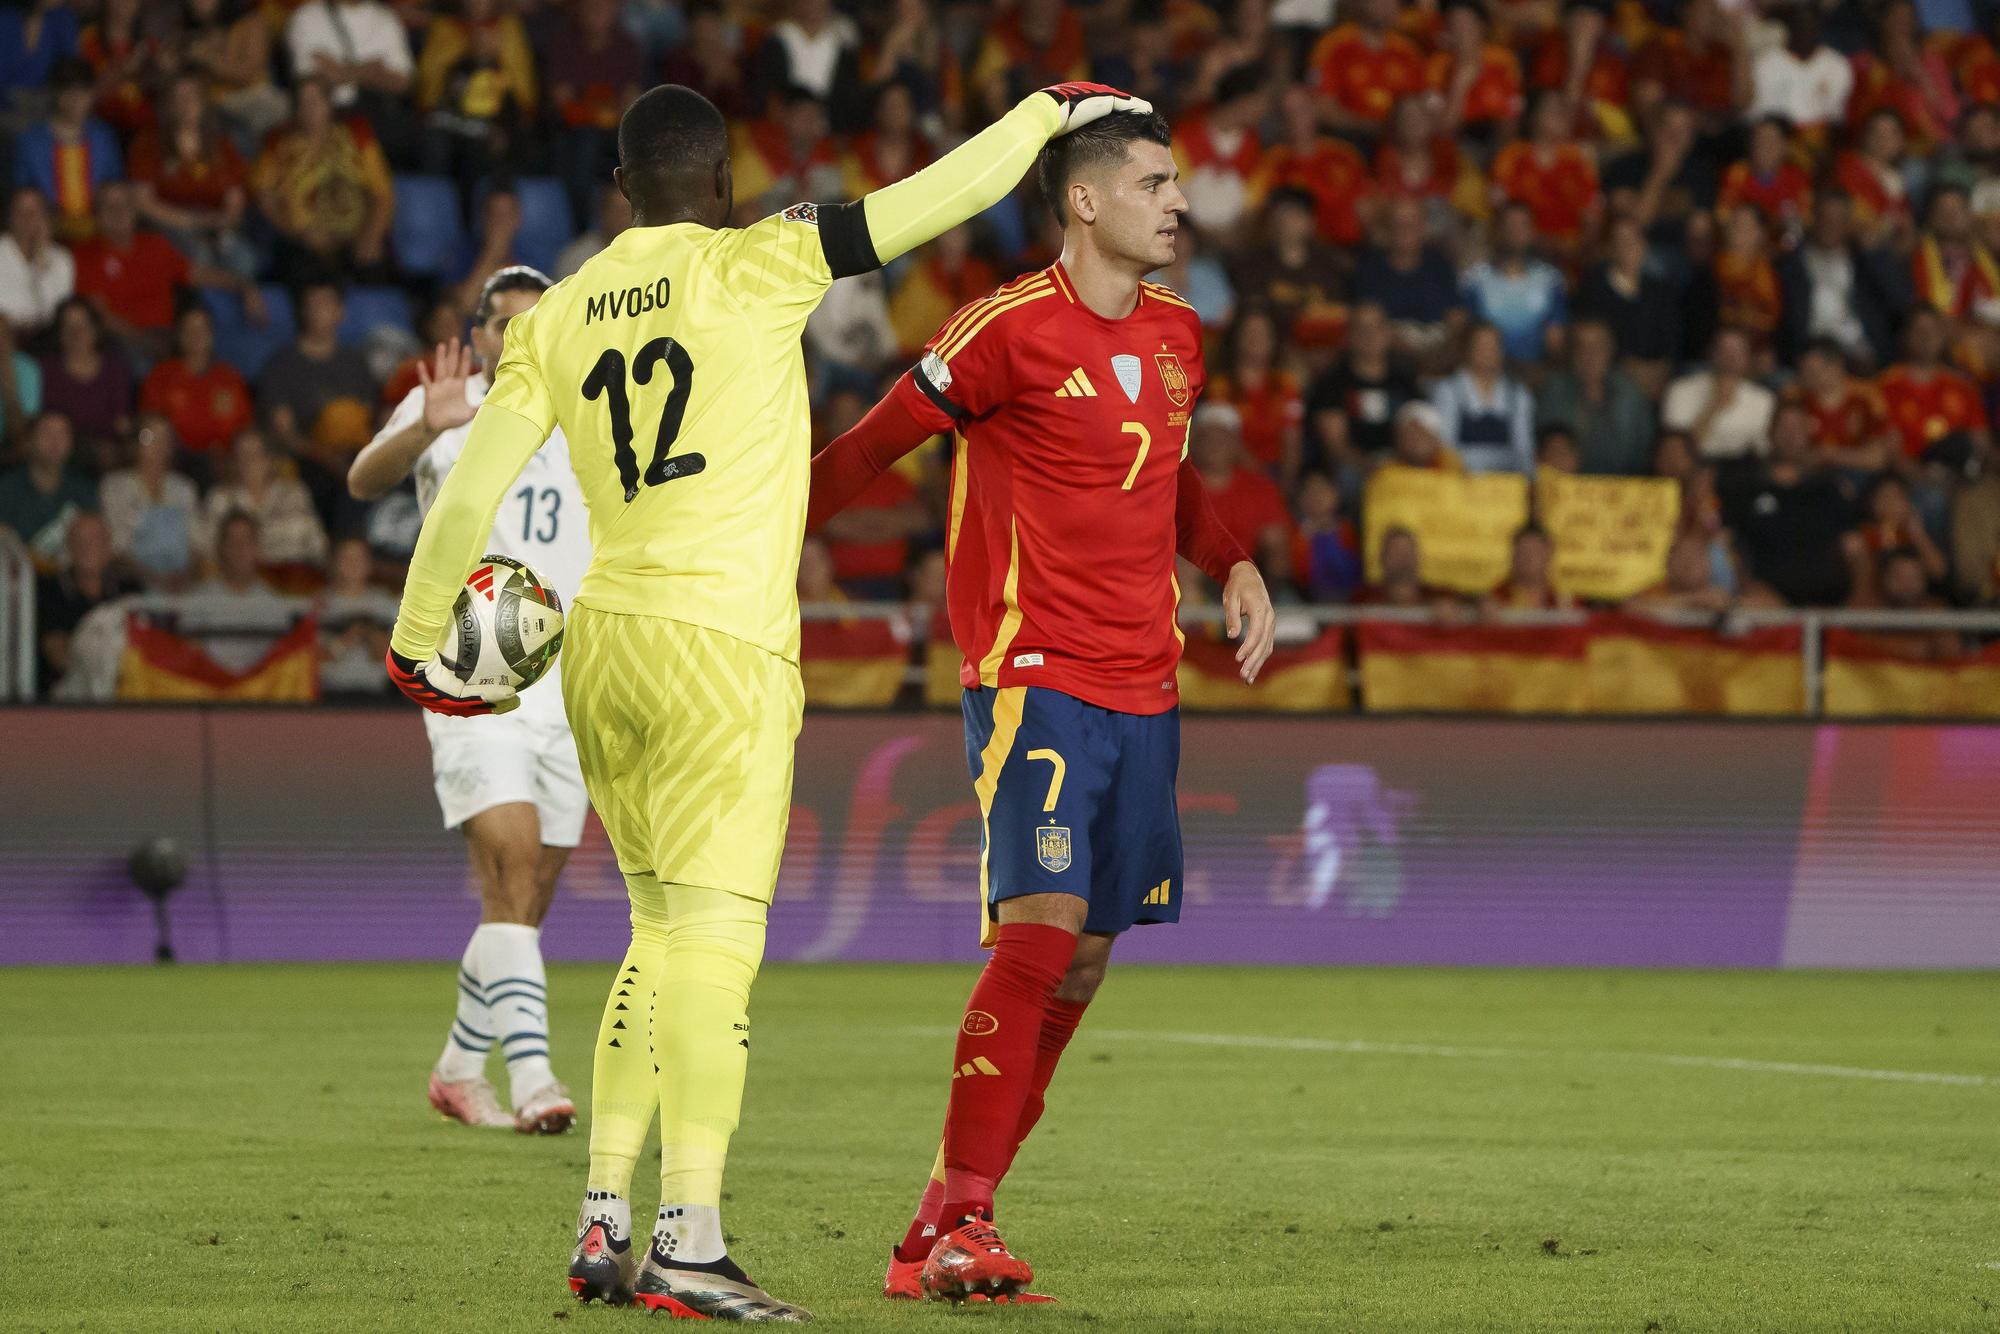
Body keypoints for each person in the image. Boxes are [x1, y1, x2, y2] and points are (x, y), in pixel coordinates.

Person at [384, 78, 1159, 1321]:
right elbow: (930, 202)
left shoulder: (559, 311)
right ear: (727, 186)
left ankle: (603, 1216)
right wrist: (1036, 117)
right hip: (721, 651)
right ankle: (690, 1236)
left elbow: (468, 491)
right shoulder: (764, 260)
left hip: (603, 646)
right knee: (717, 946)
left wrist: (419, 639)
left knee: (652, 932)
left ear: (622, 193)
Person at [805, 107, 1275, 1305]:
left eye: (1177, 184)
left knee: (1083, 965)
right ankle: (963, 1214)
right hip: (1032, 675)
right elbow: (869, 448)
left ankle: (935, 1228)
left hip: (1146, 687)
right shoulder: (1003, 330)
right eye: (1155, 182)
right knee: (1039, 929)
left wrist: (1230, 562)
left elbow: (1167, 481)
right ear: (1084, 200)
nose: (1177, 202)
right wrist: (749, 537)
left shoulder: (1177, 332)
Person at [350, 268, 588, 1137]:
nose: (516, 334)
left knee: (526, 897)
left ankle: (457, 1068)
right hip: (473, 665)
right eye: (501, 322)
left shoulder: (591, 413)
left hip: (572, 678)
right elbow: (362, 480)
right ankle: (535, 1082)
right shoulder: (448, 405)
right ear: (479, 332)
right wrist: (422, 427)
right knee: (513, 868)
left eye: (534, 321)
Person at [12, 58, 121, 243]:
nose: (76, 99)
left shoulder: (103, 136)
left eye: (83, 92)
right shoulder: (32, 140)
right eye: (69, 92)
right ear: (56, 94)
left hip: (98, 232)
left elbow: (115, 187)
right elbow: (23, 194)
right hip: (48, 234)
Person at [34, 510, 135, 696]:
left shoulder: (129, 590)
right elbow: (57, 654)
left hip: (125, 695)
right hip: (69, 702)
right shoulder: (50, 590)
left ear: (109, 546)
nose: (87, 547)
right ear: (69, 547)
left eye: (96, 540)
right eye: (79, 540)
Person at [1535, 318, 1654, 476]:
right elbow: (1547, 452)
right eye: (1582, 347)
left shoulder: (1630, 392)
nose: (1589, 355)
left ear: (1610, 350)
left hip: (1624, 488)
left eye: (1597, 347)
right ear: (1571, 352)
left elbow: (1645, 451)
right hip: (1567, 487)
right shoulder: (1554, 389)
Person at [99, 412, 203, 588]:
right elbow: (117, 547)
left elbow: (198, 543)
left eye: (165, 438)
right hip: (132, 582)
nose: (158, 444)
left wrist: (184, 576)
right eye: (149, 437)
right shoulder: (115, 486)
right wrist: (153, 578)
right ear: (134, 443)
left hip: (181, 584)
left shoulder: (185, 488)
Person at [139, 303, 253, 463]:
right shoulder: (161, 375)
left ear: (212, 334)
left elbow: (245, 428)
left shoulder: (230, 378)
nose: (196, 335)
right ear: (179, 335)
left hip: (223, 466)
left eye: (202, 329)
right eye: (189, 329)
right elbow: (148, 427)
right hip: (173, 462)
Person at [1459, 200, 1567, 365]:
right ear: (1498, 231)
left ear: (1532, 232)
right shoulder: (1475, 280)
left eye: (1522, 226)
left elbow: (1555, 340)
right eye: (1509, 225)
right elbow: (1465, 334)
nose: (1515, 232)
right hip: (1486, 369)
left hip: (1535, 371)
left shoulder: (1550, 280)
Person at [203, 426, 327, 568]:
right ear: (233, 461)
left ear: (268, 460)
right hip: (238, 584)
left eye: (255, 455)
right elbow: (207, 551)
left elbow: (317, 546)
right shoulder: (219, 499)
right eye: (241, 455)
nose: (248, 462)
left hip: (291, 580)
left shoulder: (295, 493)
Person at [1430, 322, 1534, 475]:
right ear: (1467, 349)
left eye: (1493, 346)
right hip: (1461, 481)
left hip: (1505, 484)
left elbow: (1523, 450)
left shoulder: (1518, 394)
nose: (1487, 352)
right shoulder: (1448, 391)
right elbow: (1445, 447)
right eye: (1481, 346)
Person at [0, 409, 96, 570]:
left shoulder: (84, 489)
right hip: (20, 580)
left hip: (70, 584)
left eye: (62, 434)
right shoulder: (7, 489)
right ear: (30, 441)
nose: (55, 442)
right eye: (47, 433)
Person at [1662, 327, 1777, 461]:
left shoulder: (1764, 399)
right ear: (1711, 353)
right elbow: (1674, 453)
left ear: (1748, 358)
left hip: (1742, 471)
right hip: (1695, 466)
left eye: (1737, 351)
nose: (1730, 357)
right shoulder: (1680, 390)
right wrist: (1713, 407)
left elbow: (1764, 451)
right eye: (1724, 350)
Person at [315, 535, 399, 697]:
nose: (353, 565)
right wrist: (348, 638)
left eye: (359, 558)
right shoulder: (319, 604)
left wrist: (370, 634)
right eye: (346, 558)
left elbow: (393, 658)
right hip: (329, 695)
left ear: (369, 563)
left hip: (380, 696)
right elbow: (311, 659)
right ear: (333, 563)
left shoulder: (386, 604)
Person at [0, 186, 75, 338]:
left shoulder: (61, 258)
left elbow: (55, 312)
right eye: (20, 212)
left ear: (46, 217)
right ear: (10, 217)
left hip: (46, 338)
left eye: (34, 212)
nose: (27, 218)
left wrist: (41, 260)